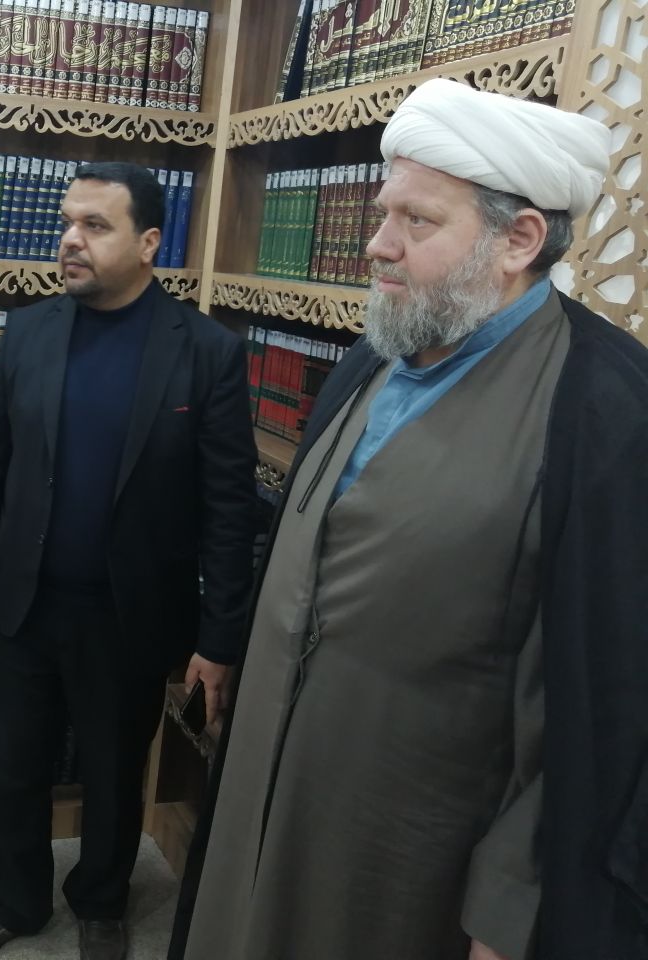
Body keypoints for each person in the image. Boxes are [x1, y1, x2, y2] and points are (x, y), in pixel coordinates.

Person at [170, 78, 648, 960]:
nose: (377, 245)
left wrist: (510, 919)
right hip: (265, 786)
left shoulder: (605, 410)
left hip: (410, 852)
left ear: (519, 240)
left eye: (416, 221)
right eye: (383, 213)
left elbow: (600, 705)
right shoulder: (375, 355)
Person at [0, 161, 257, 960]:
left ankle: (103, 900)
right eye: (66, 222)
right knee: (14, 767)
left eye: (94, 225)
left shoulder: (206, 352)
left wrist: (219, 638)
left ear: (148, 243)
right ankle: (16, 901)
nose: (70, 240)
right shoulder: (27, 333)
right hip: (22, 604)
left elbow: (228, 509)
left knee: (115, 774)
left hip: (130, 614)